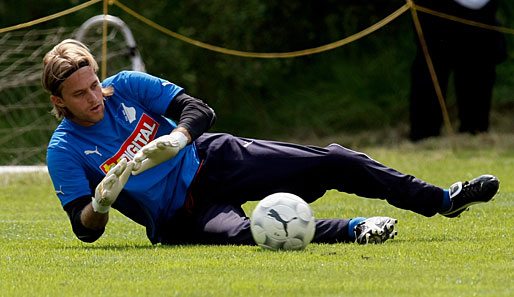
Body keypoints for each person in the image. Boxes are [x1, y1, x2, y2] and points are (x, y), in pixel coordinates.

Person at [43, 39, 499, 246]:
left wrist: (178, 137)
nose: (93, 98)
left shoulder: (124, 85)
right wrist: (101, 203)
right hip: (181, 215)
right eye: (79, 94)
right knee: (251, 233)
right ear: (59, 100)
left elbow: (199, 110)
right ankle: (356, 228)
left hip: (214, 159)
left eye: (94, 84)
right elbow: (84, 230)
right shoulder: (63, 150)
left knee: (335, 160)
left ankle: (441, 200)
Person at [409, 0, 507, 141]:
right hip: (437, 9)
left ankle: (474, 132)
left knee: (478, 69)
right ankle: (424, 136)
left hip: (483, 10)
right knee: (432, 71)